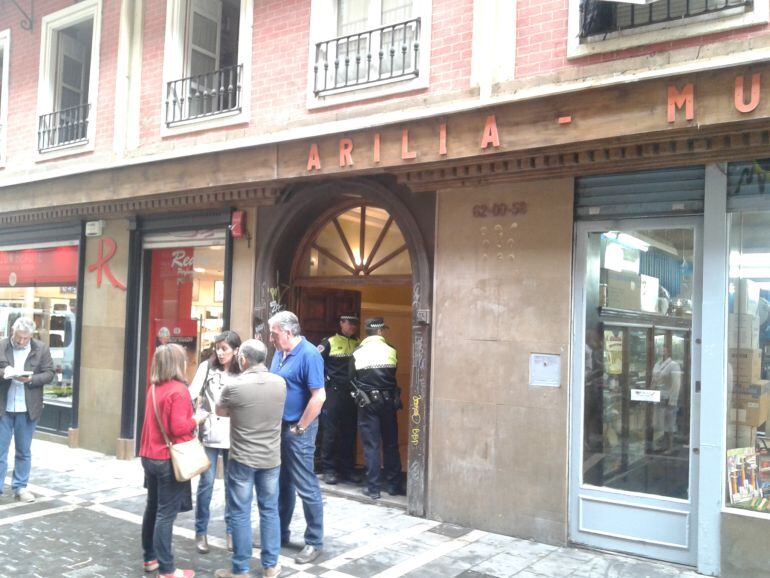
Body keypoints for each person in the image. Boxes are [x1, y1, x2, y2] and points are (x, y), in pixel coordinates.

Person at [214, 339, 286, 578]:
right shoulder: (280, 383)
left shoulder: (235, 386)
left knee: (241, 512)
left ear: (243, 359)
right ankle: (271, 566)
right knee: (269, 510)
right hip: (271, 458)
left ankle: (241, 568)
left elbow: (220, 411)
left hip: (243, 459)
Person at [140, 343, 209, 578]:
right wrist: (197, 419)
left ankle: (150, 558)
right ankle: (167, 569)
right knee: (164, 514)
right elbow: (178, 427)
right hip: (168, 459)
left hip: (149, 455)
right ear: (175, 363)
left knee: (153, 508)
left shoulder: (154, 388)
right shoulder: (178, 390)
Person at [268, 310, 326, 565]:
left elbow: (319, 396)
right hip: (280, 427)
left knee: (306, 484)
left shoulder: (310, 354)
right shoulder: (279, 354)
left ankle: (314, 542)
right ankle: (280, 533)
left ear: (288, 332)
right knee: (282, 483)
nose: (271, 338)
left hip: (298, 429)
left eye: (274, 333)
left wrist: (300, 428)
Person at [188, 330, 242, 554]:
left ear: (235, 350)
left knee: (233, 484)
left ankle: (231, 531)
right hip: (210, 430)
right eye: (217, 348)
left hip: (234, 432)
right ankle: (201, 531)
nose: (220, 353)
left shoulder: (243, 370)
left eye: (225, 349)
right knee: (206, 484)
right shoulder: (206, 367)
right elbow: (192, 392)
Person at [0, 317, 54, 503]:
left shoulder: (41, 348)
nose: (22, 341)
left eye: (26, 338)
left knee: (23, 451)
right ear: (12, 332)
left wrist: (31, 380)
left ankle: (20, 487)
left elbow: (49, 374)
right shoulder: (2, 345)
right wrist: (5, 373)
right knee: (0, 451)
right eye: (18, 337)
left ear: (32, 335)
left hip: (28, 408)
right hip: (3, 408)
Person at [352, 317, 403, 500]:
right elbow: (393, 372)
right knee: (391, 443)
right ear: (380, 331)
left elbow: (353, 377)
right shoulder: (391, 350)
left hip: (367, 404)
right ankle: (394, 485)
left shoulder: (358, 352)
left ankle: (373, 488)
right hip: (388, 402)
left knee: (371, 445)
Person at [317, 313, 361, 485]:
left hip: (351, 394)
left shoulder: (358, 343)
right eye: (349, 323)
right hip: (333, 393)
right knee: (330, 433)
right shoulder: (329, 342)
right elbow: (315, 363)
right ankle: (329, 469)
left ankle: (347, 469)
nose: (352, 326)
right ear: (341, 323)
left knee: (349, 432)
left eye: (355, 324)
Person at [651, 345, 682, 452]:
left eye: (664, 350)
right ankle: (663, 444)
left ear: (669, 352)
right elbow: (653, 380)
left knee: (670, 423)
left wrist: (673, 400)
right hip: (658, 397)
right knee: (661, 423)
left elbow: (676, 384)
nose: (662, 352)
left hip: (668, 398)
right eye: (660, 350)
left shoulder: (674, 365)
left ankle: (670, 447)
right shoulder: (657, 364)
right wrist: (650, 394)